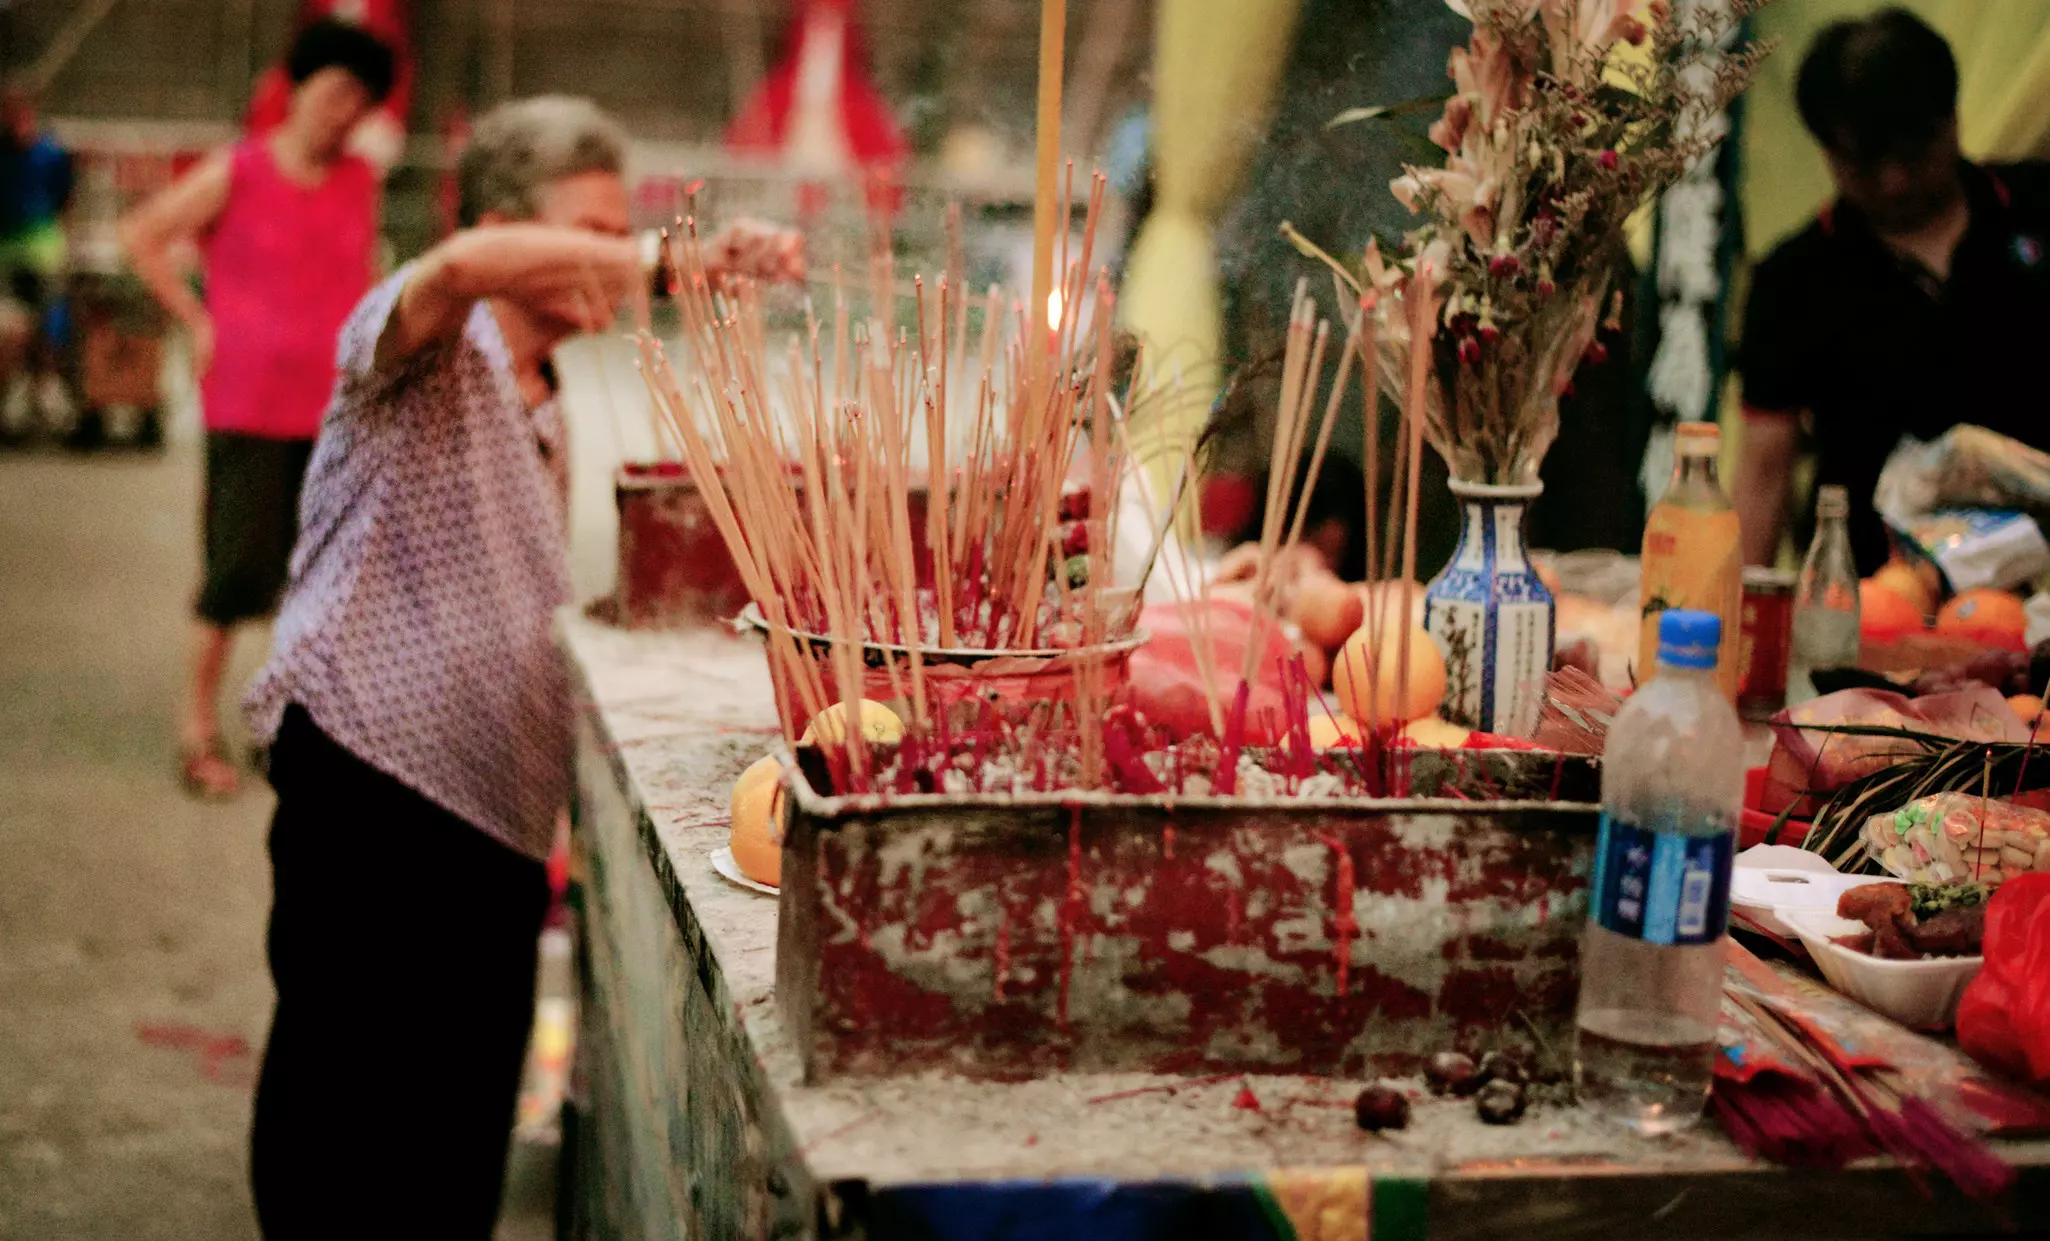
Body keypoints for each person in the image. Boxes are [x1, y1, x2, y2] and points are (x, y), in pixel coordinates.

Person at [239, 96, 640, 1237]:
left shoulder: (550, 400)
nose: (609, 262)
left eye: (621, 233)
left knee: (461, 1103)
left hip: (492, 814)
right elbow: (457, 264)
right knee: (347, 1090)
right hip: (369, 775)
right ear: (509, 224)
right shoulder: (420, 342)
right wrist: (665, 254)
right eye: (587, 232)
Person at [120, 19, 393, 797]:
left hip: (338, 412)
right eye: (336, 92)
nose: (345, 113)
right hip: (246, 404)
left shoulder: (360, 184)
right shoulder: (235, 171)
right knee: (237, 573)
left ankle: (285, 724)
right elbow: (141, 236)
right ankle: (196, 729)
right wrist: (197, 318)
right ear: (298, 86)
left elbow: (364, 278)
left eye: (361, 102)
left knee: (319, 581)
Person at [1734, 9, 2050, 574]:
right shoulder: (1797, 276)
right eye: (1866, 163)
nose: (1895, 182)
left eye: (1912, 154)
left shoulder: (2037, 211)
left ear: (1951, 118)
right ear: (1827, 151)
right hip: (1873, 594)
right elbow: (1762, 474)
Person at [0, 83, 75, 440]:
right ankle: (15, 397)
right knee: (12, 330)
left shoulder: (50, 154)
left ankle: (43, 394)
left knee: (48, 326)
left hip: (43, 251)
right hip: (7, 254)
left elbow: (65, 201)